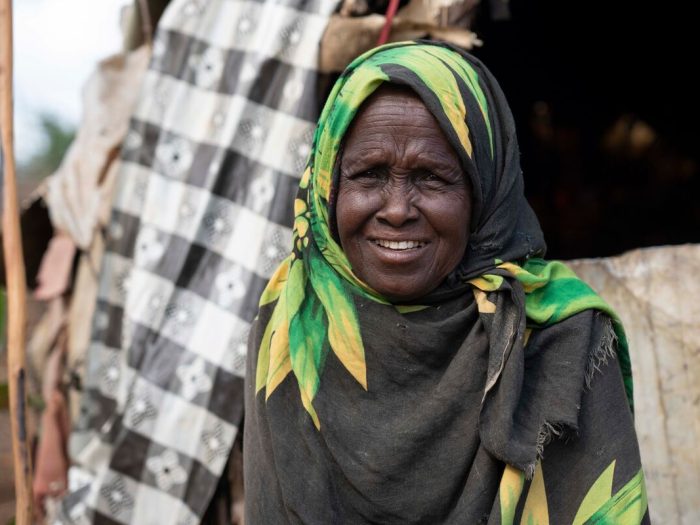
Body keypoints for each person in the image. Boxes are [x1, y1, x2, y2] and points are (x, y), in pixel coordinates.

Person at [244, 41, 649, 524]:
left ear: (484, 193)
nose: (396, 210)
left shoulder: (557, 336)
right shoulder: (291, 315)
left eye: (432, 178)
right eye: (368, 175)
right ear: (329, 185)